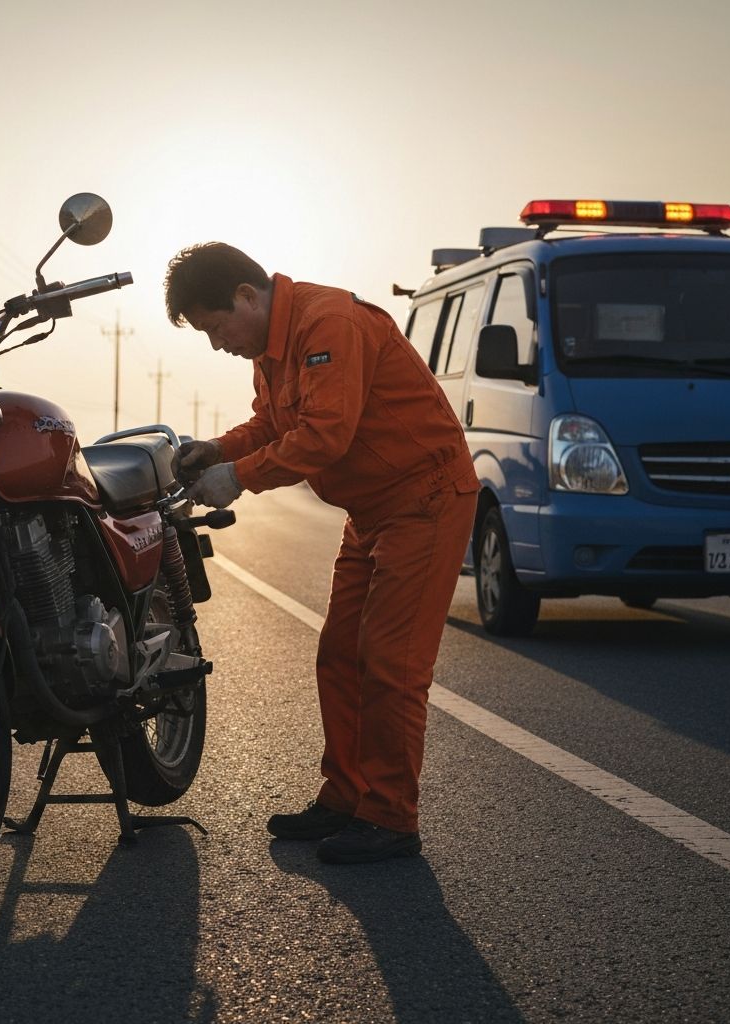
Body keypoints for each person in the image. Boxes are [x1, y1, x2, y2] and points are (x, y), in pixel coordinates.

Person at [164, 243, 478, 864]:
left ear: (247, 296)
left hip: (426, 498)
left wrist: (240, 477)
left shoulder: (327, 322)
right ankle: (348, 796)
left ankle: (390, 817)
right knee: (339, 654)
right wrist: (218, 451)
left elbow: (326, 434)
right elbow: (273, 425)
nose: (217, 343)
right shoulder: (270, 348)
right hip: (372, 511)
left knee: (390, 660)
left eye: (215, 326)